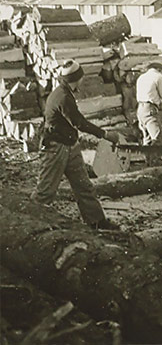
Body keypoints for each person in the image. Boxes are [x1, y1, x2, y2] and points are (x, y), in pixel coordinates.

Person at [31, 59, 120, 230]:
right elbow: (79, 122)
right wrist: (106, 134)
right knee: (45, 192)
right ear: (76, 78)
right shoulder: (63, 96)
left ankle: (97, 222)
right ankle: (32, 226)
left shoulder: (65, 92)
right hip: (56, 148)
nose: (82, 81)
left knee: (84, 186)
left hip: (70, 146)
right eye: (81, 78)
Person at [136, 62, 162, 145]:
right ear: (160, 70)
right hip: (150, 110)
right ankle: (157, 158)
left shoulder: (142, 77)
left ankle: (147, 157)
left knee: (147, 139)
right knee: (157, 138)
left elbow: (152, 96)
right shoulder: (159, 77)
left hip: (141, 110)